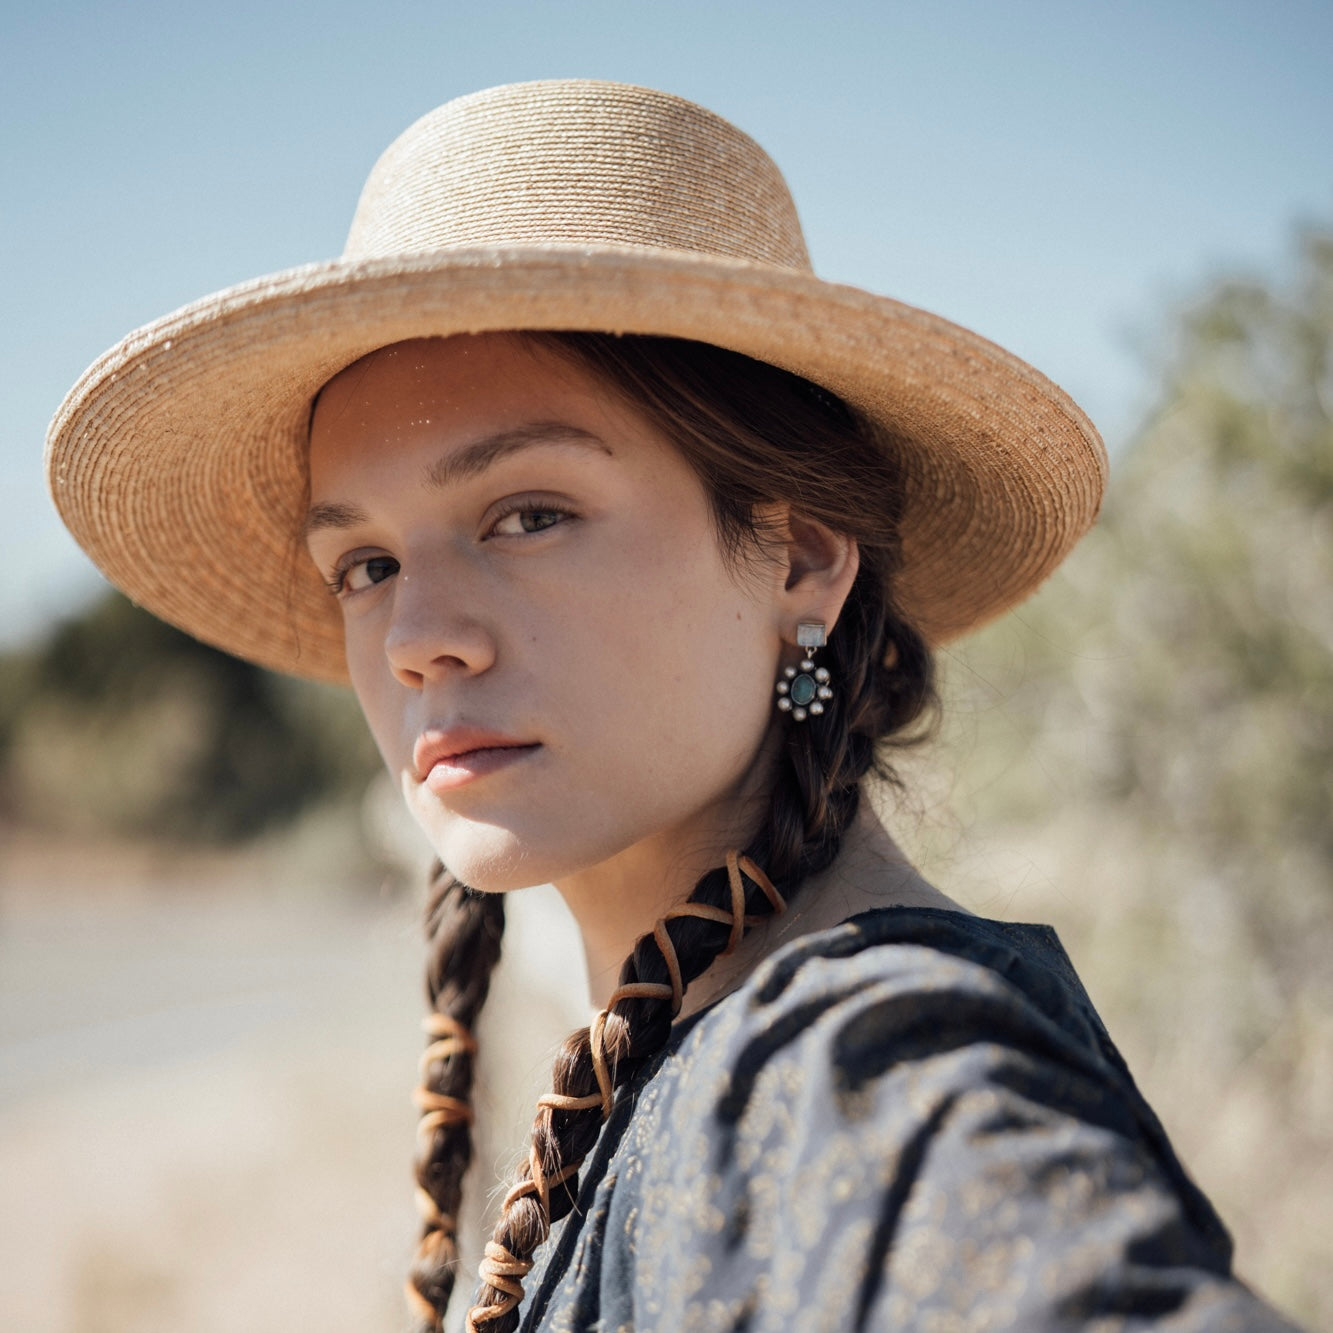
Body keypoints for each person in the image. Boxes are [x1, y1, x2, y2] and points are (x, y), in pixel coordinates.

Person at [46, 80, 1300, 1332]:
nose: (418, 637)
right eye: (365, 564)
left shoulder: (856, 1075)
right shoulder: (697, 1047)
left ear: (802, 556)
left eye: (528, 514)